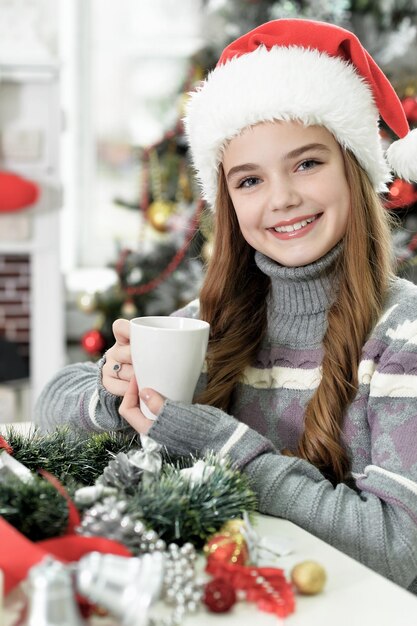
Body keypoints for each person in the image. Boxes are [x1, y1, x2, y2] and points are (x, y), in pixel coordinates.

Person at [35, 19, 417, 592]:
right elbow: (50, 404)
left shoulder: (402, 334)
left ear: (355, 169)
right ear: (229, 203)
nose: (282, 198)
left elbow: (401, 548)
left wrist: (226, 451)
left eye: (307, 164)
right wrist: (115, 396)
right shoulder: (211, 326)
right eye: (249, 180)